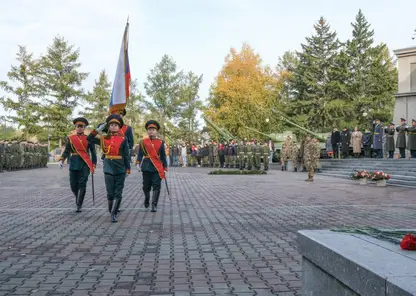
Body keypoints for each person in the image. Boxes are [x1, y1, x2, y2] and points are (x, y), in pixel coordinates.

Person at [87, 114, 131, 223]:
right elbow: (89, 138)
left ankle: (114, 213)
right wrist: (97, 129)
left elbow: (126, 155)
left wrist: (128, 168)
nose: (113, 126)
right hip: (108, 168)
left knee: (118, 192)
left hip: (120, 167)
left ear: (119, 127)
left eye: (116, 125)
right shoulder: (103, 139)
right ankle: (111, 209)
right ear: (108, 126)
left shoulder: (123, 139)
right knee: (110, 192)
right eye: (111, 125)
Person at [59, 118, 97, 213]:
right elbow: (67, 151)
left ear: (84, 128)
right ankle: (79, 197)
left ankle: (79, 204)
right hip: (74, 163)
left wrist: (94, 164)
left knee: (82, 183)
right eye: (78, 126)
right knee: (73, 185)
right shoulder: (71, 139)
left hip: (85, 164)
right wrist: (62, 160)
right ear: (75, 127)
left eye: (82, 126)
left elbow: (93, 152)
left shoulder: (89, 138)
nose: (79, 128)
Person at [136, 120, 168, 212]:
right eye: (149, 129)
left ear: (156, 131)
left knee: (156, 185)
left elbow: (163, 156)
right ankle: (147, 197)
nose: (151, 131)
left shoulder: (161, 142)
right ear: (147, 131)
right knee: (146, 186)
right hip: (146, 166)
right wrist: (138, 163)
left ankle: (154, 204)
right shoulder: (143, 142)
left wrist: (165, 167)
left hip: (157, 166)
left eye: (153, 129)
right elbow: (140, 154)